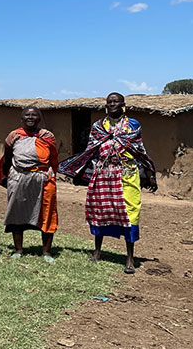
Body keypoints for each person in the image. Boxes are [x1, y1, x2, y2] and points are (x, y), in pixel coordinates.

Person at [58, 92, 157, 273]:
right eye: (109, 102)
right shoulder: (98, 126)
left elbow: (139, 150)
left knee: (130, 212)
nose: (112, 104)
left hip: (127, 173)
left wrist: (149, 173)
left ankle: (129, 258)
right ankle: (97, 252)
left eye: (116, 101)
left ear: (123, 104)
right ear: (106, 105)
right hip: (103, 173)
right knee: (100, 211)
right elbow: (91, 150)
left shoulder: (132, 125)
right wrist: (80, 171)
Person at [0, 106, 58, 261]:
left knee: (47, 213)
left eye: (34, 115)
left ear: (39, 119)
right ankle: (18, 250)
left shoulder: (47, 137)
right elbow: (6, 158)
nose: (31, 117)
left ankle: (46, 252)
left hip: (43, 179)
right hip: (18, 177)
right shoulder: (14, 136)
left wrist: (51, 174)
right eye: (27, 115)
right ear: (22, 118)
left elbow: (54, 160)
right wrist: (7, 177)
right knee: (17, 212)